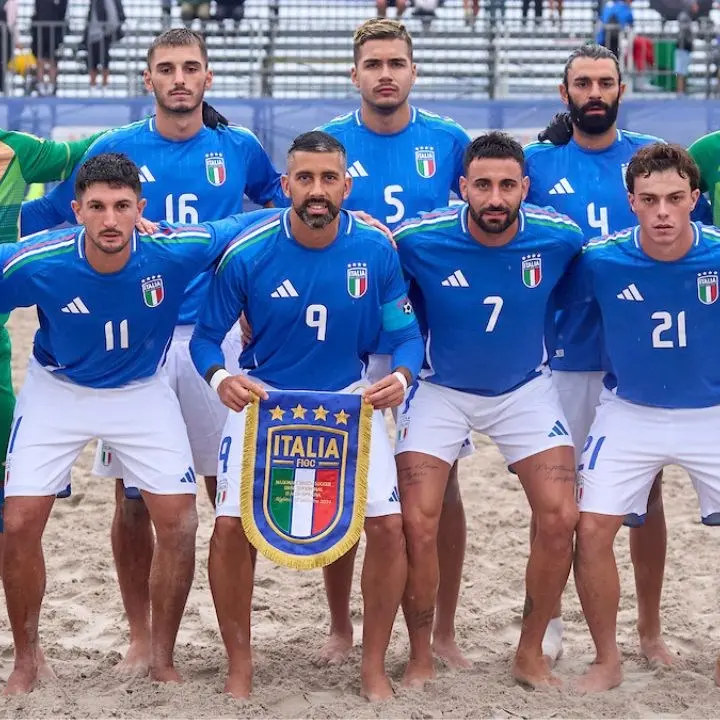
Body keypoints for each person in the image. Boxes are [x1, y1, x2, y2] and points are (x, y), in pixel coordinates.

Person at [20, 27, 284, 677]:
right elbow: (54, 218)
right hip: (135, 341)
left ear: (208, 77)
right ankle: (141, 637)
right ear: (148, 80)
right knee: (134, 497)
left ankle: (232, 644)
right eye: (166, 68)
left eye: (190, 67)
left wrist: (254, 294)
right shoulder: (115, 151)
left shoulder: (238, 147)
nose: (179, 79)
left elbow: (278, 213)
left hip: (211, 337)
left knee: (226, 491)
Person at [0, 151, 267, 694]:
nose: (110, 219)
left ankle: (160, 656)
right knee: (19, 522)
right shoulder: (38, 260)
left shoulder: (172, 250)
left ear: (141, 209)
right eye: (96, 206)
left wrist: (356, 220)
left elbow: (247, 222)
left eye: (122, 206)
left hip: (140, 391)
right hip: (59, 389)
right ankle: (27, 660)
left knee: (179, 522)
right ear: (75, 210)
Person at [189, 130, 424, 701]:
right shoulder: (247, 254)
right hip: (264, 401)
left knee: (389, 528)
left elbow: (407, 334)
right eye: (304, 179)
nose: (316, 191)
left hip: (348, 402)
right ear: (286, 185)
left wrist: (400, 377)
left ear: (346, 184)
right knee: (227, 529)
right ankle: (239, 667)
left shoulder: (375, 249)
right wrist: (221, 378)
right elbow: (202, 339)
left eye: (328, 179)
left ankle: (372, 667)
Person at [526, 43, 711, 667]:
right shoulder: (537, 163)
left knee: (648, 494)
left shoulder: (650, 160)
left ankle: (650, 630)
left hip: (640, 358)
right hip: (570, 354)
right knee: (557, 498)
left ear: (622, 89)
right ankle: (548, 622)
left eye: (606, 81)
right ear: (565, 92)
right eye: (583, 82)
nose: (595, 92)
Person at [393, 132, 582, 688]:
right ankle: (421, 651)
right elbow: (364, 257)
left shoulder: (560, 238)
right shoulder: (418, 240)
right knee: (417, 522)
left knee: (561, 517)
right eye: (482, 185)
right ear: (462, 189)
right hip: (439, 389)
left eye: (506, 185)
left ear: (525, 188)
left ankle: (529, 652)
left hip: (525, 389)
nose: (494, 198)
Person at [316, 18, 472, 668]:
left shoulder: (450, 142)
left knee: (440, 482)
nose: (386, 73)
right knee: (347, 480)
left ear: (413, 71)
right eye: (373, 63)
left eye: (396, 62)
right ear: (354, 74)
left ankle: (442, 632)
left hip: (430, 337)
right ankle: (338, 626)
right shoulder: (328, 145)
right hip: (350, 339)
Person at [564, 143, 720, 692]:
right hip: (629, 410)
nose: (662, 212)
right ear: (630, 201)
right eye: (649, 199)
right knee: (591, 527)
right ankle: (608, 658)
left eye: (675, 198)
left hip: (712, 413)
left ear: (695, 200)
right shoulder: (599, 259)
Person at [81, 0, 125, 94]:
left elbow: (115, 15)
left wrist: (107, 29)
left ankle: (104, 86)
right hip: (93, 34)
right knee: (92, 61)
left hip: (103, 34)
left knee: (104, 60)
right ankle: (93, 86)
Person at [30, 0, 67, 95]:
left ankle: (51, 85)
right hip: (40, 32)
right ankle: (41, 85)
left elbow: (62, 10)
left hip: (54, 32)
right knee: (40, 60)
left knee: (52, 61)